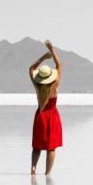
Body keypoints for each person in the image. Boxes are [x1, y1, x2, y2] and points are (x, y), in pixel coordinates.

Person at [29, 40, 63, 175]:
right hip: (52, 116)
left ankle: (33, 168)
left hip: (40, 115)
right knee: (51, 148)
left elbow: (31, 68)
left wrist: (43, 57)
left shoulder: (37, 86)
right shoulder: (54, 85)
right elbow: (59, 64)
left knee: (37, 147)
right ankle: (47, 173)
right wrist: (52, 50)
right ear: (50, 76)